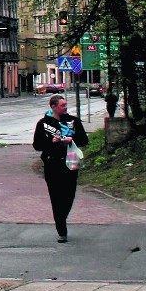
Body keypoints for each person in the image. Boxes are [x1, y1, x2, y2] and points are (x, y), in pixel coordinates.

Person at [32, 94, 89, 243]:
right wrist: (51, 141)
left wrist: (72, 139)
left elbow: (84, 140)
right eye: (62, 105)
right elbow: (37, 145)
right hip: (52, 164)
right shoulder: (44, 123)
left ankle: (61, 217)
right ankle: (62, 230)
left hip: (71, 163)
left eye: (66, 105)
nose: (65, 107)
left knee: (69, 195)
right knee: (56, 197)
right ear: (54, 107)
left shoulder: (73, 121)